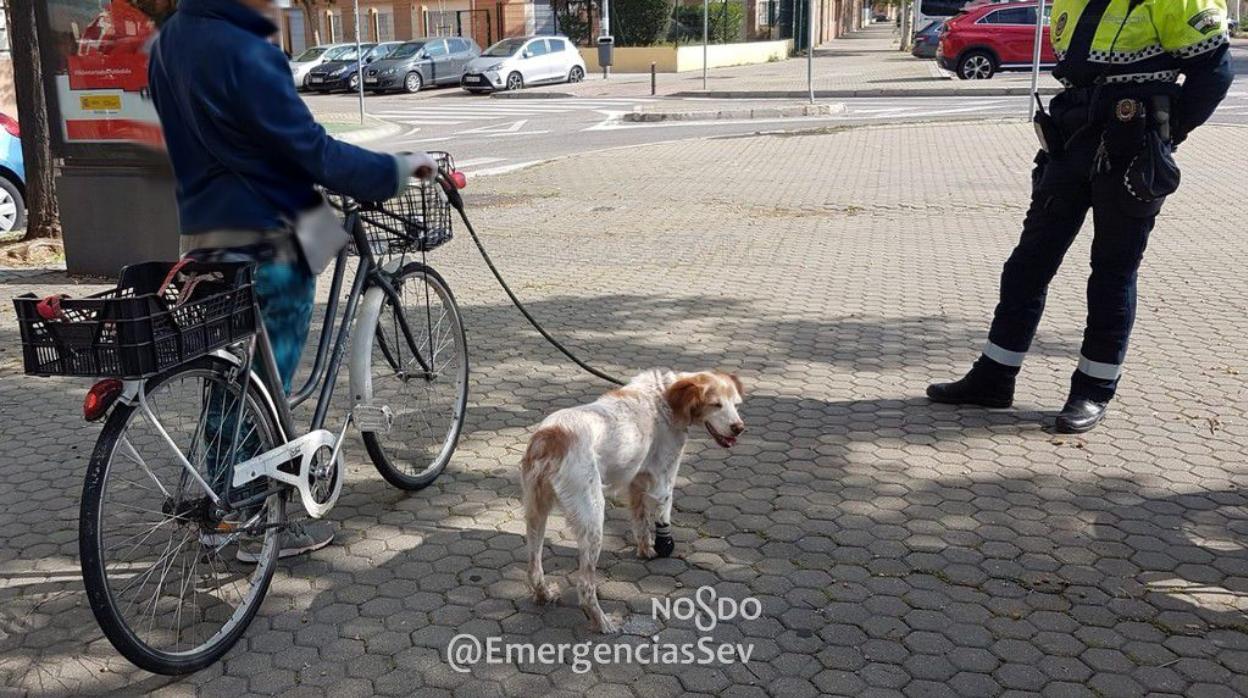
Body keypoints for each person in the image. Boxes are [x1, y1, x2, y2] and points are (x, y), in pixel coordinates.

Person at [147, 0, 437, 558]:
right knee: (265, 380)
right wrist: (400, 169)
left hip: (208, 235)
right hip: (269, 238)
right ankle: (254, 518)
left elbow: (239, 141)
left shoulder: (170, 42)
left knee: (230, 379)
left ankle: (223, 500)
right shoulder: (246, 50)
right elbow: (312, 151)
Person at [927, 0, 1233, 433]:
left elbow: (1215, 72)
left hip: (1132, 145)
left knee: (1112, 272)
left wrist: (1164, 136)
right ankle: (994, 376)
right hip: (1072, 141)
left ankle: (1093, 388)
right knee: (1027, 263)